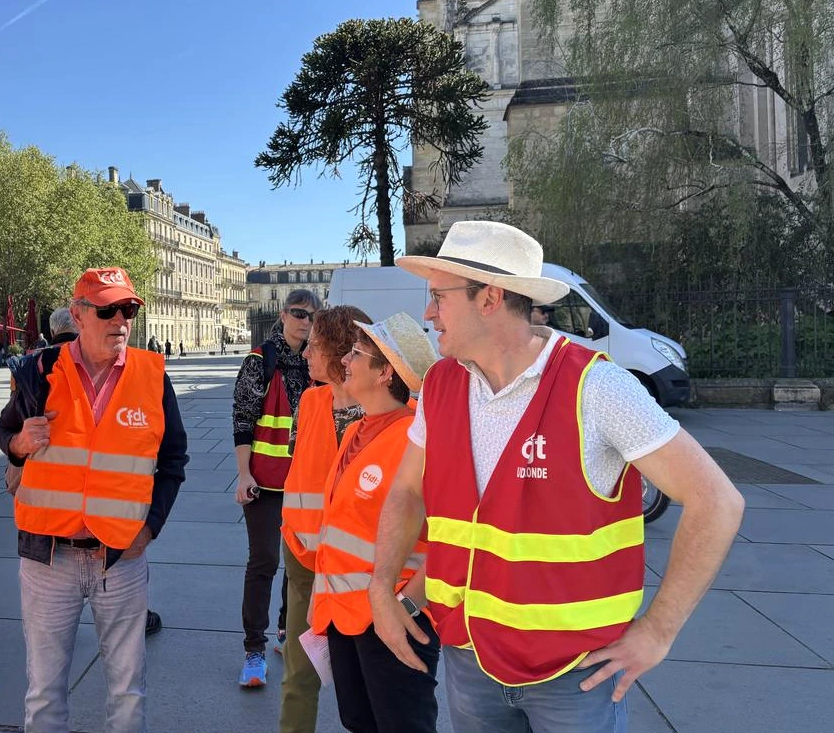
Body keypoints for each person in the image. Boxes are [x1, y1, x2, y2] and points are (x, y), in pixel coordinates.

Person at [370, 221, 745, 733]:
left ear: (491, 298)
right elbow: (407, 491)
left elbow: (717, 501)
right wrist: (381, 590)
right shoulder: (441, 384)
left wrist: (659, 630)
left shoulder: (597, 386)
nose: (428, 313)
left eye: (438, 296)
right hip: (468, 656)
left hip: (575, 677)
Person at [0, 266, 188, 733]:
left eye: (129, 309)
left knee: (128, 690)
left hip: (120, 558)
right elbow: (7, 433)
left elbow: (174, 459)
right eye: (109, 310)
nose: (121, 320)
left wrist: (150, 527)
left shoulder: (152, 376)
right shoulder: (39, 370)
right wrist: (19, 444)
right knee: (44, 691)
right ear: (78, 315)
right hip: (48, 558)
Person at [310, 313, 440, 733]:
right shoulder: (357, 431)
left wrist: (406, 606)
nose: (344, 360)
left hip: (393, 620)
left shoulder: (416, 440)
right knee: (359, 723)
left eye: (356, 353)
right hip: (345, 616)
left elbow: (453, 538)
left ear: (386, 372)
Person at [278, 305, 369, 733]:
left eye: (315, 345)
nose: (305, 354)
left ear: (341, 350)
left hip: (362, 577)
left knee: (368, 689)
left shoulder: (382, 413)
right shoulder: (311, 402)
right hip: (305, 563)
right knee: (299, 676)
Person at [231, 288, 319, 688]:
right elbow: (243, 419)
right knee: (264, 561)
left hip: (304, 483)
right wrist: (244, 474)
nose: (306, 321)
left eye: (312, 316)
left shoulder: (315, 363)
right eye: (299, 313)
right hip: (264, 482)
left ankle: (286, 632)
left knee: (298, 565)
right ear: (283, 315)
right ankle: (253, 649)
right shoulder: (260, 360)